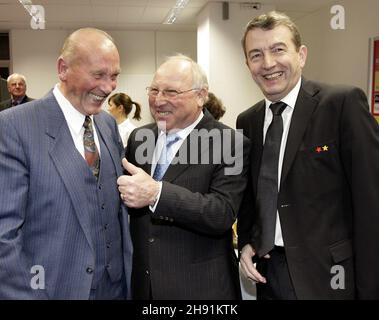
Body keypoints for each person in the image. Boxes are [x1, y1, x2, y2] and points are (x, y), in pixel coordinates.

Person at [236, 11, 379, 300]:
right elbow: (252, 197)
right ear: (247, 64)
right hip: (268, 274)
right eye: (256, 55)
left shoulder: (341, 104)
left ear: (301, 55)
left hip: (329, 277)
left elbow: (371, 204)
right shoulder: (246, 121)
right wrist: (248, 243)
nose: (268, 64)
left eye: (278, 50)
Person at [0, 28, 133, 299]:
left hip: (115, 289)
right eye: (98, 75)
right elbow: (4, 236)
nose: (108, 87)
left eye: (114, 76)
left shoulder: (107, 125)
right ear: (63, 69)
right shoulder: (15, 127)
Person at [117, 54, 249, 300]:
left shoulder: (232, 143)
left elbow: (221, 213)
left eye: (171, 92)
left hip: (200, 289)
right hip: (143, 288)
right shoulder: (139, 138)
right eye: (154, 90)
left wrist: (157, 193)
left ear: (201, 96)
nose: (158, 100)